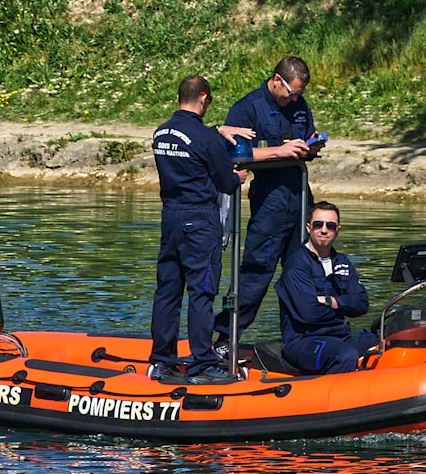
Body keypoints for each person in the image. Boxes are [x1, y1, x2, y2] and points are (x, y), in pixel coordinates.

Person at [212, 55, 326, 352]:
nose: (295, 99)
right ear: (277, 81)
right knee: (256, 272)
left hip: (300, 197)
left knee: (302, 273)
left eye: (300, 94)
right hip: (269, 202)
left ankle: (298, 339)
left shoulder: (299, 106)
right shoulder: (247, 108)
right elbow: (235, 155)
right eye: (292, 93)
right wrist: (281, 151)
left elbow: (303, 146)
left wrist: (312, 147)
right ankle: (225, 338)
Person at [149, 75, 253, 383]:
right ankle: (202, 364)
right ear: (204, 98)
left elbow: (193, 141)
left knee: (167, 291)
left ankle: (162, 359)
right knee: (201, 293)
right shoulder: (206, 139)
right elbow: (225, 181)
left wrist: (217, 131)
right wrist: (240, 177)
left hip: (171, 217)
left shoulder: (161, 132)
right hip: (200, 220)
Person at [274, 201, 378, 374]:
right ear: (308, 228)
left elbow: (361, 303)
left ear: (337, 229)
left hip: (340, 335)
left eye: (330, 226)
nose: (324, 230)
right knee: (345, 355)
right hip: (302, 340)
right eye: (318, 225)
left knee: (388, 340)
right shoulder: (297, 264)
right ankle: (335, 398)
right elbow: (309, 313)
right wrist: (345, 306)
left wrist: (332, 301)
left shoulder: (342, 262)